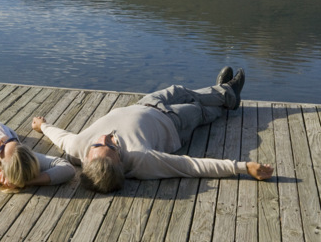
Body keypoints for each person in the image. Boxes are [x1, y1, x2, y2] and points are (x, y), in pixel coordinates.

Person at [30, 66, 274, 193]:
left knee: (181, 90)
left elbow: (61, 138)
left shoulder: (77, 148)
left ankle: (225, 93)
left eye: (98, 145)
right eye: (113, 147)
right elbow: (192, 166)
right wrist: (242, 167)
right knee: (199, 109)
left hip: (146, 103)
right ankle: (226, 94)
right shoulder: (141, 160)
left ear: (87, 159)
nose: (106, 138)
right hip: (174, 123)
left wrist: (43, 126)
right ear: (120, 161)